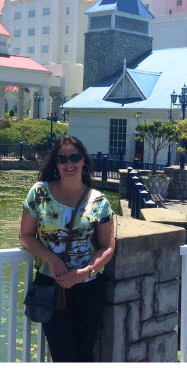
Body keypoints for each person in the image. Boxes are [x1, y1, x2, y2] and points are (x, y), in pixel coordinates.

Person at [19, 135, 116, 362]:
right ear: (56, 163)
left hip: (89, 287)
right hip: (52, 286)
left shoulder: (98, 202)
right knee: (63, 355)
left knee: (84, 354)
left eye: (74, 157)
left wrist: (85, 272)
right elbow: (25, 235)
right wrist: (51, 259)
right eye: (62, 159)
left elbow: (108, 246)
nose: (69, 163)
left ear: (84, 161)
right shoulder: (39, 193)